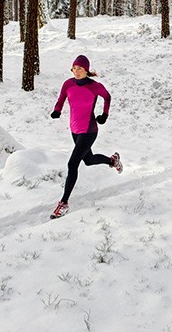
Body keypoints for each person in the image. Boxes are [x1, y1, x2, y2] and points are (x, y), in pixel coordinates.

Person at [49, 55, 122, 218]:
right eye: (74, 68)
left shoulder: (94, 86)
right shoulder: (68, 84)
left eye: (80, 68)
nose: (76, 71)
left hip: (89, 130)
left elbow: (107, 97)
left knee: (72, 163)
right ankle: (112, 161)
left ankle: (64, 203)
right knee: (88, 160)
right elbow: (61, 99)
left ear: (86, 70)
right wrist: (57, 110)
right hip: (74, 129)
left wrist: (105, 114)